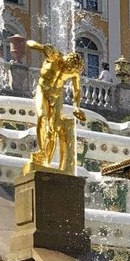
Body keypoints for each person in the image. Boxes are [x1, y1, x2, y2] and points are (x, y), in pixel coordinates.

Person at [24, 41, 86, 174]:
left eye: (70, 70)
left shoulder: (73, 73)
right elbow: (30, 43)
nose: (66, 72)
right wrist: (41, 47)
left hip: (57, 95)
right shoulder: (54, 56)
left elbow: (77, 90)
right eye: (66, 68)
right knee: (42, 116)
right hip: (43, 90)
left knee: (54, 127)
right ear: (64, 61)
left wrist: (76, 107)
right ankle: (41, 151)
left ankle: (46, 159)